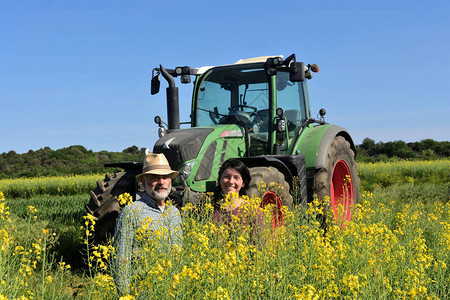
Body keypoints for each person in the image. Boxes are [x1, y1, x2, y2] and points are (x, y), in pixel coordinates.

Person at [113, 151, 183, 295]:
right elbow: (122, 258)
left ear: (170, 181)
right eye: (154, 178)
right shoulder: (131, 212)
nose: (161, 182)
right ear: (143, 183)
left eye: (165, 177)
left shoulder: (175, 213)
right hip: (143, 292)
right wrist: (125, 295)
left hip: (171, 291)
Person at [212, 158, 265, 243]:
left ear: (243, 183)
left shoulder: (253, 211)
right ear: (220, 180)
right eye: (227, 177)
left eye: (236, 178)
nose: (231, 181)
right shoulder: (210, 210)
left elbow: (259, 245)